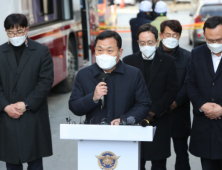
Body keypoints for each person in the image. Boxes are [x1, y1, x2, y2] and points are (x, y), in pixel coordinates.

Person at [0, 14, 54, 170]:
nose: (15, 36)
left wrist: (27, 104)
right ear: (6, 32)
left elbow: (45, 82)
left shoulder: (41, 51)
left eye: (19, 32)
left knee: (35, 162)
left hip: (33, 115)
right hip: (7, 115)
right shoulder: (0, 52)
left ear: (27, 30)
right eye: (11, 33)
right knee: (12, 163)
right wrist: (5, 106)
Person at [123, 23, 178, 170]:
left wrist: (153, 110)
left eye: (150, 42)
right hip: (134, 122)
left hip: (159, 121)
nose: (146, 46)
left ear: (157, 42)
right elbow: (124, 91)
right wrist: (137, 112)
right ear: (137, 43)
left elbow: (171, 91)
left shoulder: (168, 61)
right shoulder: (128, 61)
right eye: (142, 43)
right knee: (135, 163)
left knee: (159, 164)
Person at [69, 30, 151, 125]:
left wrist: (124, 120)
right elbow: (74, 106)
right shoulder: (84, 74)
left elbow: (144, 104)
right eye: (100, 50)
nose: (104, 55)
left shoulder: (133, 74)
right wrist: (93, 98)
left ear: (120, 52)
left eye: (110, 51)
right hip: (94, 134)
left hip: (125, 133)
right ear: (94, 50)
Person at [185, 16, 222, 170]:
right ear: (204, 35)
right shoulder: (197, 53)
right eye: (211, 40)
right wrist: (202, 105)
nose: (215, 44)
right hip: (204, 128)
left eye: (219, 40)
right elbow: (190, 84)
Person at [157, 20, 191, 170]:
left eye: (175, 35)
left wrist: (176, 101)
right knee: (159, 156)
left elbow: (189, 82)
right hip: (158, 113)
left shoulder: (188, 56)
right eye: (168, 34)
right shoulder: (152, 55)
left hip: (180, 112)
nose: (171, 38)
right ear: (161, 35)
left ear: (179, 36)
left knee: (182, 154)